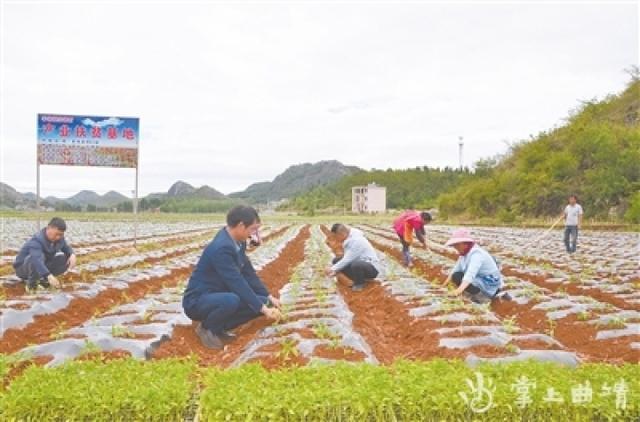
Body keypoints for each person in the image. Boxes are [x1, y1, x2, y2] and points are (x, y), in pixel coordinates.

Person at [182, 206, 282, 349]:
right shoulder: (222, 248)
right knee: (232, 300)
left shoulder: (238, 242)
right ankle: (207, 328)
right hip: (198, 300)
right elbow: (236, 282)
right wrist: (264, 310)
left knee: (263, 302)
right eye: (253, 229)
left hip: (218, 295)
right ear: (241, 225)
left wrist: (269, 297)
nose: (254, 234)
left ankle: (219, 327)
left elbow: (248, 273)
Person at [440, 228, 510, 304]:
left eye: (457, 245)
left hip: (489, 283)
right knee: (456, 275)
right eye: (454, 245)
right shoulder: (464, 253)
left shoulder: (477, 254)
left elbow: (470, 275)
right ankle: (474, 295)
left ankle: (484, 299)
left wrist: (457, 291)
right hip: (480, 280)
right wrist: (442, 286)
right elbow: (455, 270)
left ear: (465, 243)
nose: (455, 247)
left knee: (460, 278)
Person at [13, 217, 76, 291]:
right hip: (23, 268)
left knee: (65, 258)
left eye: (61, 234)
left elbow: (66, 248)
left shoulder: (59, 239)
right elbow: (37, 260)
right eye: (56, 234)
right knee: (37, 258)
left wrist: (72, 254)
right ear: (49, 228)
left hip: (42, 264)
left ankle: (44, 280)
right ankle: (32, 285)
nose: (58, 237)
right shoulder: (37, 240)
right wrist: (48, 275)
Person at [325, 223, 382, 292]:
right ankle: (358, 278)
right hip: (359, 262)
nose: (336, 239)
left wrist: (332, 269)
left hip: (372, 268)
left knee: (356, 264)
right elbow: (347, 257)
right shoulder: (349, 236)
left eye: (336, 236)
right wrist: (334, 269)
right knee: (336, 260)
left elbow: (347, 259)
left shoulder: (357, 241)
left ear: (341, 234)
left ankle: (359, 284)